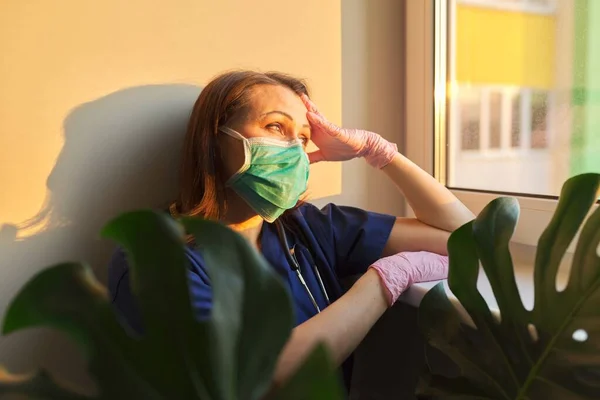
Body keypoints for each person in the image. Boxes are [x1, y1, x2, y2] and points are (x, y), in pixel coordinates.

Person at [107, 71, 474, 393]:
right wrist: (384, 281)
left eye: (301, 138)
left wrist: (376, 151)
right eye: (275, 127)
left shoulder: (305, 228)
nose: (295, 151)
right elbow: (264, 375)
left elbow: (468, 238)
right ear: (215, 140)